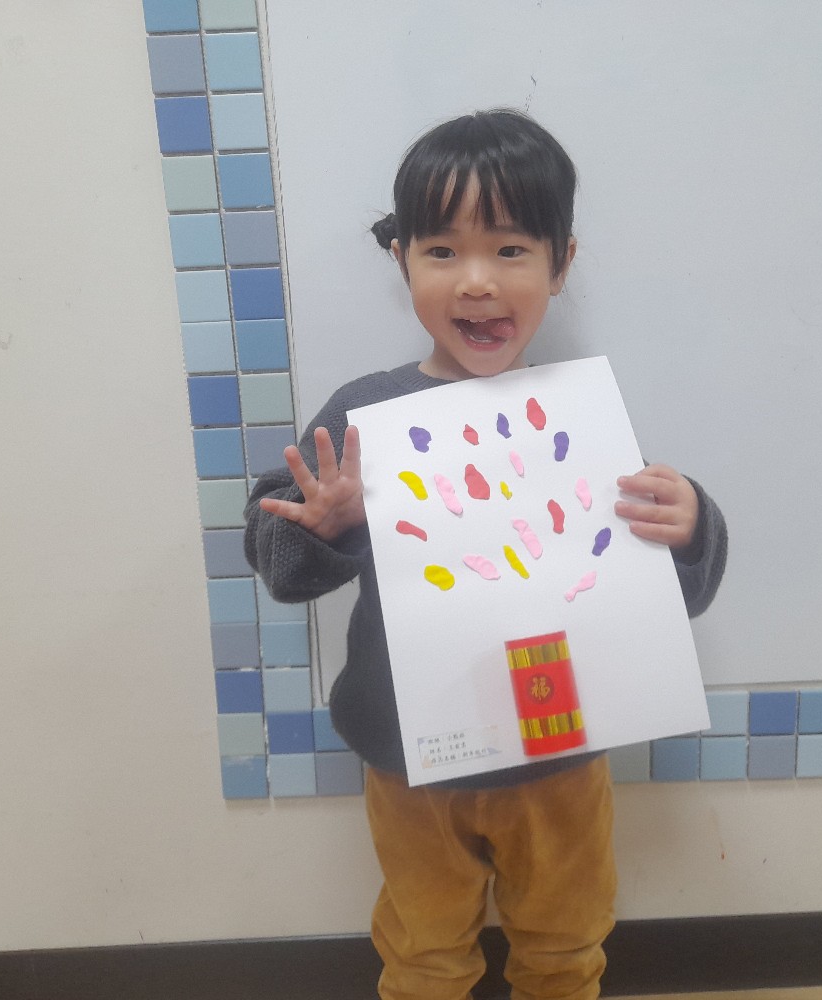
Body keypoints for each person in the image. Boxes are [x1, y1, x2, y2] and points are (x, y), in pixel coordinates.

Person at [244, 108, 728, 1000]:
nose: (476, 281)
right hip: (410, 757)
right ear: (403, 261)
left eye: (509, 249)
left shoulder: (583, 419)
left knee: (567, 945)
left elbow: (663, 593)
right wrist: (328, 523)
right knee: (424, 952)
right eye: (442, 251)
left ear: (560, 263)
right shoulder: (365, 414)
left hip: (560, 754)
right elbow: (278, 561)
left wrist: (692, 524)